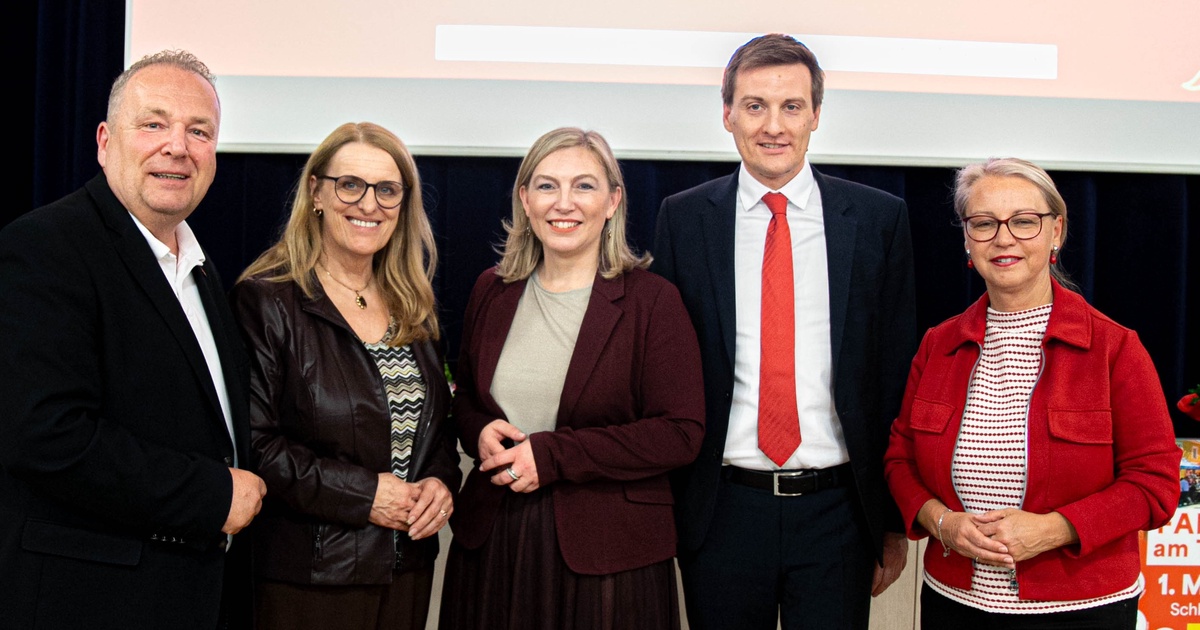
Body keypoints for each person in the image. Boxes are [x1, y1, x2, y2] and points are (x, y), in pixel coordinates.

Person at [651, 34, 918, 629]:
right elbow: (664, 370)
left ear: (816, 115)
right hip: (721, 512)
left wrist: (892, 521)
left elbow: (894, 373)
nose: (774, 125)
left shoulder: (877, 219)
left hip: (839, 514)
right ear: (727, 115)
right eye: (754, 106)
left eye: (792, 106)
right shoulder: (684, 218)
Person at [0, 50, 265, 629]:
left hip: (186, 596)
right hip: (88, 601)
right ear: (104, 140)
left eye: (200, 131)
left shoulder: (199, 268)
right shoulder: (46, 246)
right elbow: (45, 436)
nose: (178, 146)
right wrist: (211, 495)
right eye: (154, 124)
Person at [884, 158, 1180, 629]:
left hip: (1083, 611)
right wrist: (942, 522)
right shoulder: (938, 345)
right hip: (954, 604)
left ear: (1056, 231)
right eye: (983, 223)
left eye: (1024, 221)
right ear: (966, 238)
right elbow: (899, 460)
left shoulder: (1115, 348)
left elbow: (1154, 484)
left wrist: (1053, 530)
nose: (1004, 238)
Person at [439, 127, 705, 630]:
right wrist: (476, 430)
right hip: (496, 540)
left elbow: (680, 433)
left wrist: (554, 456)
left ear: (612, 201)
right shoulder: (492, 290)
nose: (564, 203)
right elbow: (469, 399)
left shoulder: (652, 301)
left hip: (609, 556)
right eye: (546, 186)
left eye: (584, 186)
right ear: (524, 199)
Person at [231, 122, 458, 630]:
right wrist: (365, 497)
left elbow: (437, 429)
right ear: (317, 191)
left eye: (387, 190)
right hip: (309, 576)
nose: (369, 204)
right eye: (350, 184)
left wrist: (442, 483)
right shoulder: (267, 299)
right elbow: (257, 445)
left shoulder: (413, 305)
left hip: (407, 569)